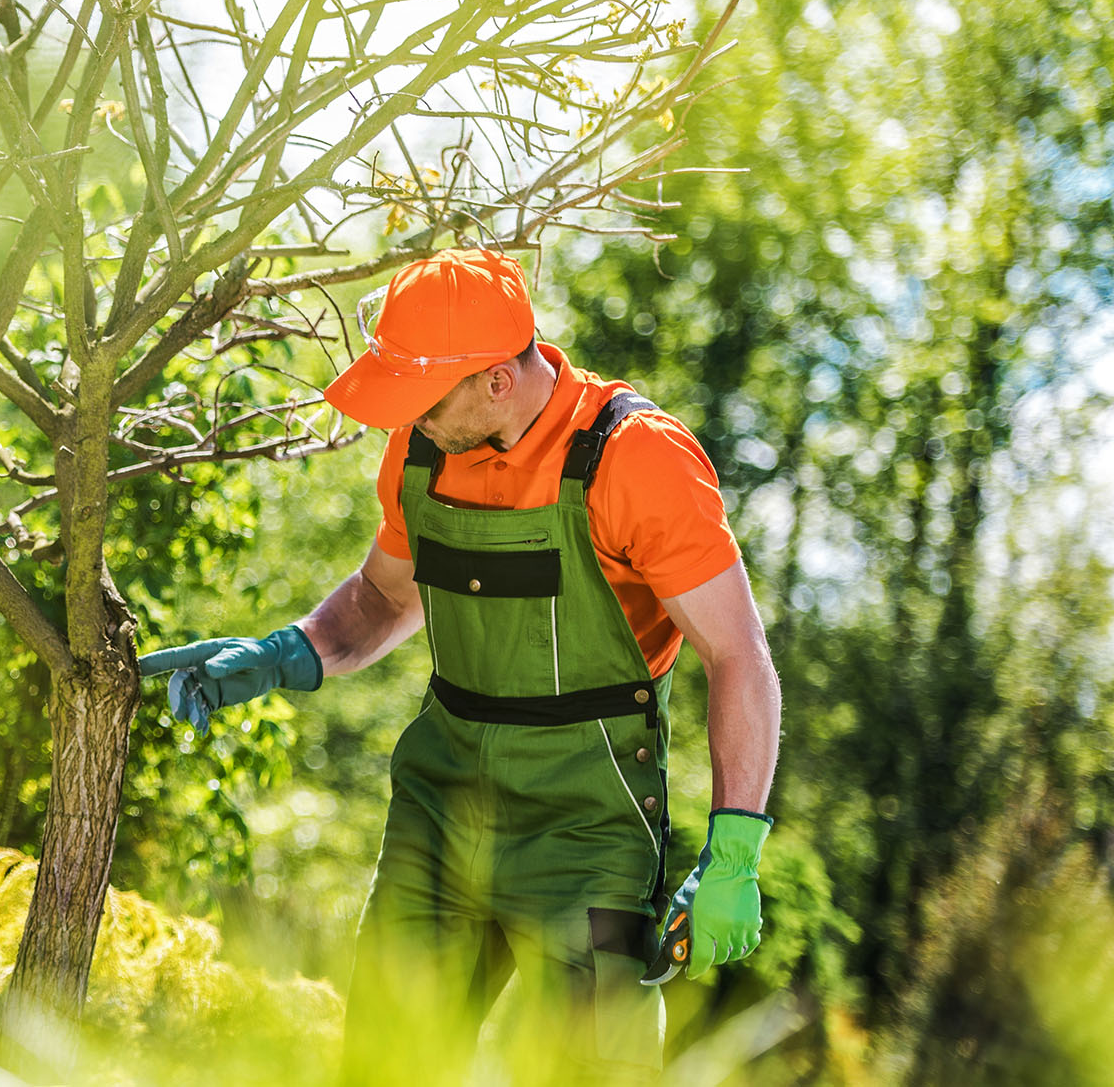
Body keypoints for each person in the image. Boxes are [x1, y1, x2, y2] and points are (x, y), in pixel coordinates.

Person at [139, 249, 782, 1084]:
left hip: (585, 830)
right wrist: (278, 657)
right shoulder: (423, 450)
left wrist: (734, 848)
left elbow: (738, 653)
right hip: (440, 813)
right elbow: (382, 597)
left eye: (424, 398)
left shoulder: (634, 459)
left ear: (497, 383)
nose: (408, 420)